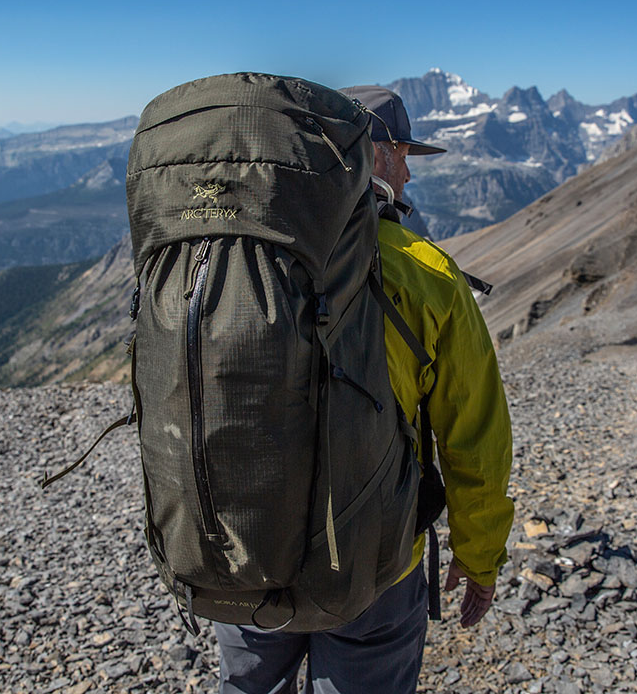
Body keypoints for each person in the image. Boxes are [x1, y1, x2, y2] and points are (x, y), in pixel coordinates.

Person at [213, 85, 514, 694]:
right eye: (401, 153)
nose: (408, 172)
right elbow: (473, 436)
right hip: (371, 562)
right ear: (371, 155)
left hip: (247, 546)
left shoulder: (237, 256)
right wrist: (479, 555)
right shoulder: (426, 272)